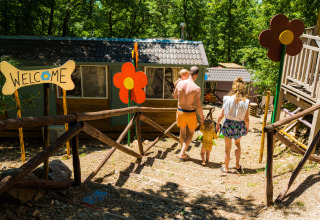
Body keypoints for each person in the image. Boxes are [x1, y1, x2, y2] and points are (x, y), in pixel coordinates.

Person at [216, 77, 249, 173]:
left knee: (227, 148)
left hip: (228, 124)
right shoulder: (246, 101)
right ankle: (237, 165)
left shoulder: (226, 99)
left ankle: (226, 168)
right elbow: (246, 118)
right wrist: (247, 128)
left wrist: (217, 123)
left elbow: (221, 114)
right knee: (237, 144)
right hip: (239, 125)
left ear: (233, 88)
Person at [174, 66, 204, 161]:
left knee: (182, 133)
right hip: (190, 113)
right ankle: (182, 153)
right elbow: (198, 106)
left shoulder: (179, 84)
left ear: (189, 73)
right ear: (196, 75)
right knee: (191, 133)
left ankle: (183, 151)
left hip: (180, 111)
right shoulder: (196, 88)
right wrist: (202, 117)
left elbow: (175, 96)